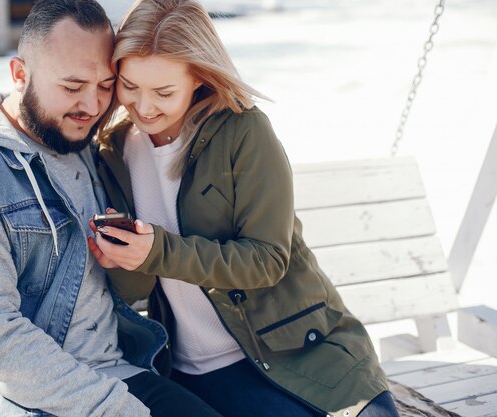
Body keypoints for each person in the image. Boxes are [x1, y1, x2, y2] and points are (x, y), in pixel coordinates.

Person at [0, 1, 223, 416]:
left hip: (115, 374)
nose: (91, 107)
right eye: (72, 87)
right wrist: (116, 409)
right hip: (8, 395)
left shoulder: (86, 149)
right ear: (20, 75)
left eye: (105, 86)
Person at [89, 1, 401, 416]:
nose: (144, 107)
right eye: (130, 86)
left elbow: (267, 259)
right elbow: (136, 290)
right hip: (193, 372)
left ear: (199, 76)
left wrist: (158, 251)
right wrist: (119, 258)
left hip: (303, 350)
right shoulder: (113, 152)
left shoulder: (244, 131)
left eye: (164, 92)